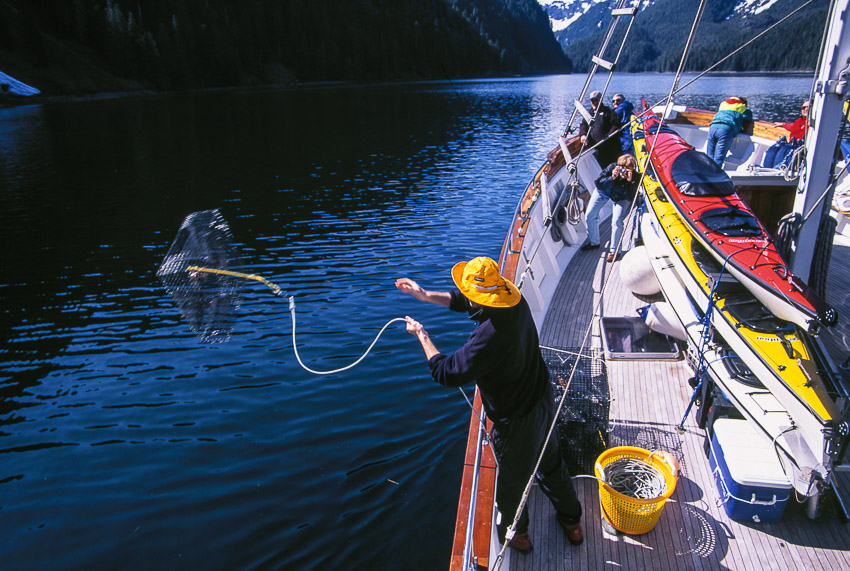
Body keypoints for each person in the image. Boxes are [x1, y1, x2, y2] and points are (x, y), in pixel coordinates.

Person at [396, 257, 584, 553]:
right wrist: (424, 294)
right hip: (542, 399)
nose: (468, 299)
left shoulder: (489, 335)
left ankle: (518, 535)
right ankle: (573, 523)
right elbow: (464, 301)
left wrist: (423, 336)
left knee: (512, 485)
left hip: (518, 422)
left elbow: (447, 372)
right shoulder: (513, 301)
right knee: (552, 465)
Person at [580, 154, 639, 263]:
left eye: (628, 169)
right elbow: (598, 182)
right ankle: (594, 242)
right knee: (590, 214)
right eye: (622, 168)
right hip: (604, 191)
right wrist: (612, 178)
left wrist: (630, 181)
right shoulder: (611, 168)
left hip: (621, 197)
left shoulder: (635, 177)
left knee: (617, 221)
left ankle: (614, 251)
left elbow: (631, 196)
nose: (624, 171)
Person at [705, 96, 753, 167]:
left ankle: (705, 173)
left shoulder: (723, 105)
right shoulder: (742, 107)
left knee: (709, 155)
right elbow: (748, 117)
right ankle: (715, 175)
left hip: (713, 128)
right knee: (719, 157)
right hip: (725, 129)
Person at [579, 90, 621, 167]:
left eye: (596, 100)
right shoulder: (589, 113)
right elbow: (583, 125)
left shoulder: (608, 111)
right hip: (595, 148)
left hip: (608, 147)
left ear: (600, 100)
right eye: (592, 100)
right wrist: (583, 135)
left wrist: (607, 137)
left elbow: (616, 125)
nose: (594, 102)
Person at [763, 100, 810, 169]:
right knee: (774, 149)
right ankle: (767, 169)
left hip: (798, 148)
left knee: (784, 154)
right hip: (790, 145)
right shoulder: (800, 121)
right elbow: (793, 127)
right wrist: (783, 124)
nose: (806, 109)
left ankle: (778, 170)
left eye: (809, 107)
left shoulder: (813, 123)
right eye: (804, 107)